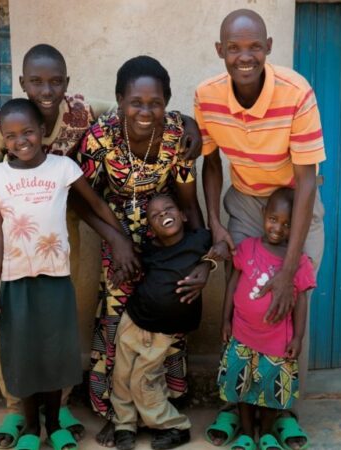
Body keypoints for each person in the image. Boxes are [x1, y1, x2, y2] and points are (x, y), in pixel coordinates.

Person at [0, 44, 202, 447]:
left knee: (149, 323)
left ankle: (152, 411)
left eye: (55, 81)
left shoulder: (152, 129)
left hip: (132, 237)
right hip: (84, 238)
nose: (47, 89)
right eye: (37, 81)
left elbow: (185, 197)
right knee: (89, 324)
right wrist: (117, 239)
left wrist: (189, 120)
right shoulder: (15, 128)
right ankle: (85, 414)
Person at [195, 9, 326, 449]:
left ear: (269, 47)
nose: (244, 56)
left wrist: (289, 270)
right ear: (220, 51)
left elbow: (307, 180)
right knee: (244, 292)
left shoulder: (296, 92)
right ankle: (236, 404)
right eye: (234, 48)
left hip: (293, 202)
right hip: (248, 201)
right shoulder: (207, 96)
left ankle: (282, 410)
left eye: (254, 47)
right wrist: (216, 222)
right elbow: (210, 162)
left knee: (292, 298)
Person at [77, 55, 222, 447]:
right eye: (136, 102)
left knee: (168, 315)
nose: (145, 111)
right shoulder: (99, 139)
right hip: (118, 235)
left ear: (167, 101)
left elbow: (189, 204)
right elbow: (81, 200)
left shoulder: (178, 136)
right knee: (115, 322)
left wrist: (199, 259)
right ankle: (115, 414)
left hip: (168, 234)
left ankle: (165, 406)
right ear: (120, 100)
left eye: (155, 103)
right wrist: (117, 240)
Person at [0, 98, 130, 450]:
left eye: (28, 132)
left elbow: (94, 204)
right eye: (11, 135)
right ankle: (30, 428)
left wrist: (120, 235)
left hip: (56, 280)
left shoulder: (63, 168)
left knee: (54, 353)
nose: (21, 141)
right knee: (24, 355)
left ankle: (55, 422)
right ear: (3, 138)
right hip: (15, 284)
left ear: (43, 132)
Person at [110, 195, 228, 450]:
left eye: (169, 208)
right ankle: (124, 425)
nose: (163, 214)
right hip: (133, 319)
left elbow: (223, 249)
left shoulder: (199, 240)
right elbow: (139, 264)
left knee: (144, 380)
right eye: (154, 215)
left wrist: (211, 261)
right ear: (151, 230)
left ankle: (173, 426)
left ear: (184, 215)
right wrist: (122, 272)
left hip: (162, 331)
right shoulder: (152, 249)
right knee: (121, 375)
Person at [217, 188, 316, 450]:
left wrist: (297, 337)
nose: (277, 228)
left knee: (272, 392)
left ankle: (269, 434)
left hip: (277, 344)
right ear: (263, 215)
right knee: (242, 388)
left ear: (297, 226)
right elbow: (232, 284)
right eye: (273, 219)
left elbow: (302, 300)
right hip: (242, 336)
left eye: (287, 224)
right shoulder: (247, 248)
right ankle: (248, 435)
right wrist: (225, 320)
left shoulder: (299, 263)